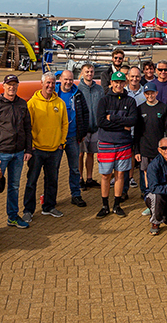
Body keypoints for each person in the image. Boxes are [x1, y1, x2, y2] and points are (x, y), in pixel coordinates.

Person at [0, 74, 31, 229]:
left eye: (14, 84)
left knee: (14, 187)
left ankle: (13, 216)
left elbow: (28, 129)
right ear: (3, 86)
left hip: (18, 153)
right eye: (9, 85)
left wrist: (28, 149)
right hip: (0, 154)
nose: (12, 87)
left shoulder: (22, 104)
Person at [22, 71, 69, 219]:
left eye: (53, 83)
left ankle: (49, 206)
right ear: (42, 84)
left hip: (55, 149)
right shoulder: (32, 103)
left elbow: (64, 124)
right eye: (47, 83)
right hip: (37, 150)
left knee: (52, 180)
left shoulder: (60, 103)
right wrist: (30, 146)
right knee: (31, 181)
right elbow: (26, 127)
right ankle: (28, 211)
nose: (50, 86)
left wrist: (61, 143)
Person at [94, 71, 138, 218]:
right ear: (111, 83)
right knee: (106, 175)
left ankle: (117, 205)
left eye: (121, 82)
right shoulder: (103, 100)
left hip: (124, 143)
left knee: (120, 175)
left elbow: (132, 121)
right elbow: (100, 122)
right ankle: (104, 205)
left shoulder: (130, 101)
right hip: (106, 143)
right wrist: (121, 124)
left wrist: (112, 118)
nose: (118, 85)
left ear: (124, 83)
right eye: (116, 82)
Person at [55, 67, 91, 208]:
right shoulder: (54, 94)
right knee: (54, 169)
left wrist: (81, 133)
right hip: (56, 139)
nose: (68, 82)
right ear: (60, 80)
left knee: (75, 169)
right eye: (66, 79)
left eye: (71, 79)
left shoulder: (77, 94)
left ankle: (75, 195)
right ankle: (51, 197)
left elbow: (85, 114)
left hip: (72, 138)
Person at [76, 63, 106, 189]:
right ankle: (79, 178)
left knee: (91, 154)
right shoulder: (77, 89)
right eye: (87, 72)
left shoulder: (99, 89)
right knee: (80, 154)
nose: (89, 74)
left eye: (91, 72)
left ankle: (89, 178)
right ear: (82, 73)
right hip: (82, 127)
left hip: (95, 127)